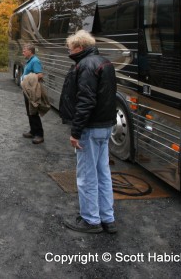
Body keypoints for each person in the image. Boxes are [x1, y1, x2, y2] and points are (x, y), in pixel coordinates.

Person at [59, 30, 117, 233]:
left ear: (79, 47)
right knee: (103, 173)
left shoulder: (84, 66)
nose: (69, 51)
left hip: (90, 129)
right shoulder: (105, 62)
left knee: (86, 176)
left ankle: (91, 220)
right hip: (106, 126)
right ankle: (107, 218)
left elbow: (86, 101)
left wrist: (75, 132)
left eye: (70, 47)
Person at [20, 43, 45, 144]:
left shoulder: (35, 61)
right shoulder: (30, 60)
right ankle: (33, 131)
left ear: (30, 51)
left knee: (33, 112)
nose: (23, 52)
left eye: (24, 51)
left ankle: (39, 135)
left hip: (32, 91)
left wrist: (26, 78)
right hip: (28, 91)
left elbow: (40, 75)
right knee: (29, 111)